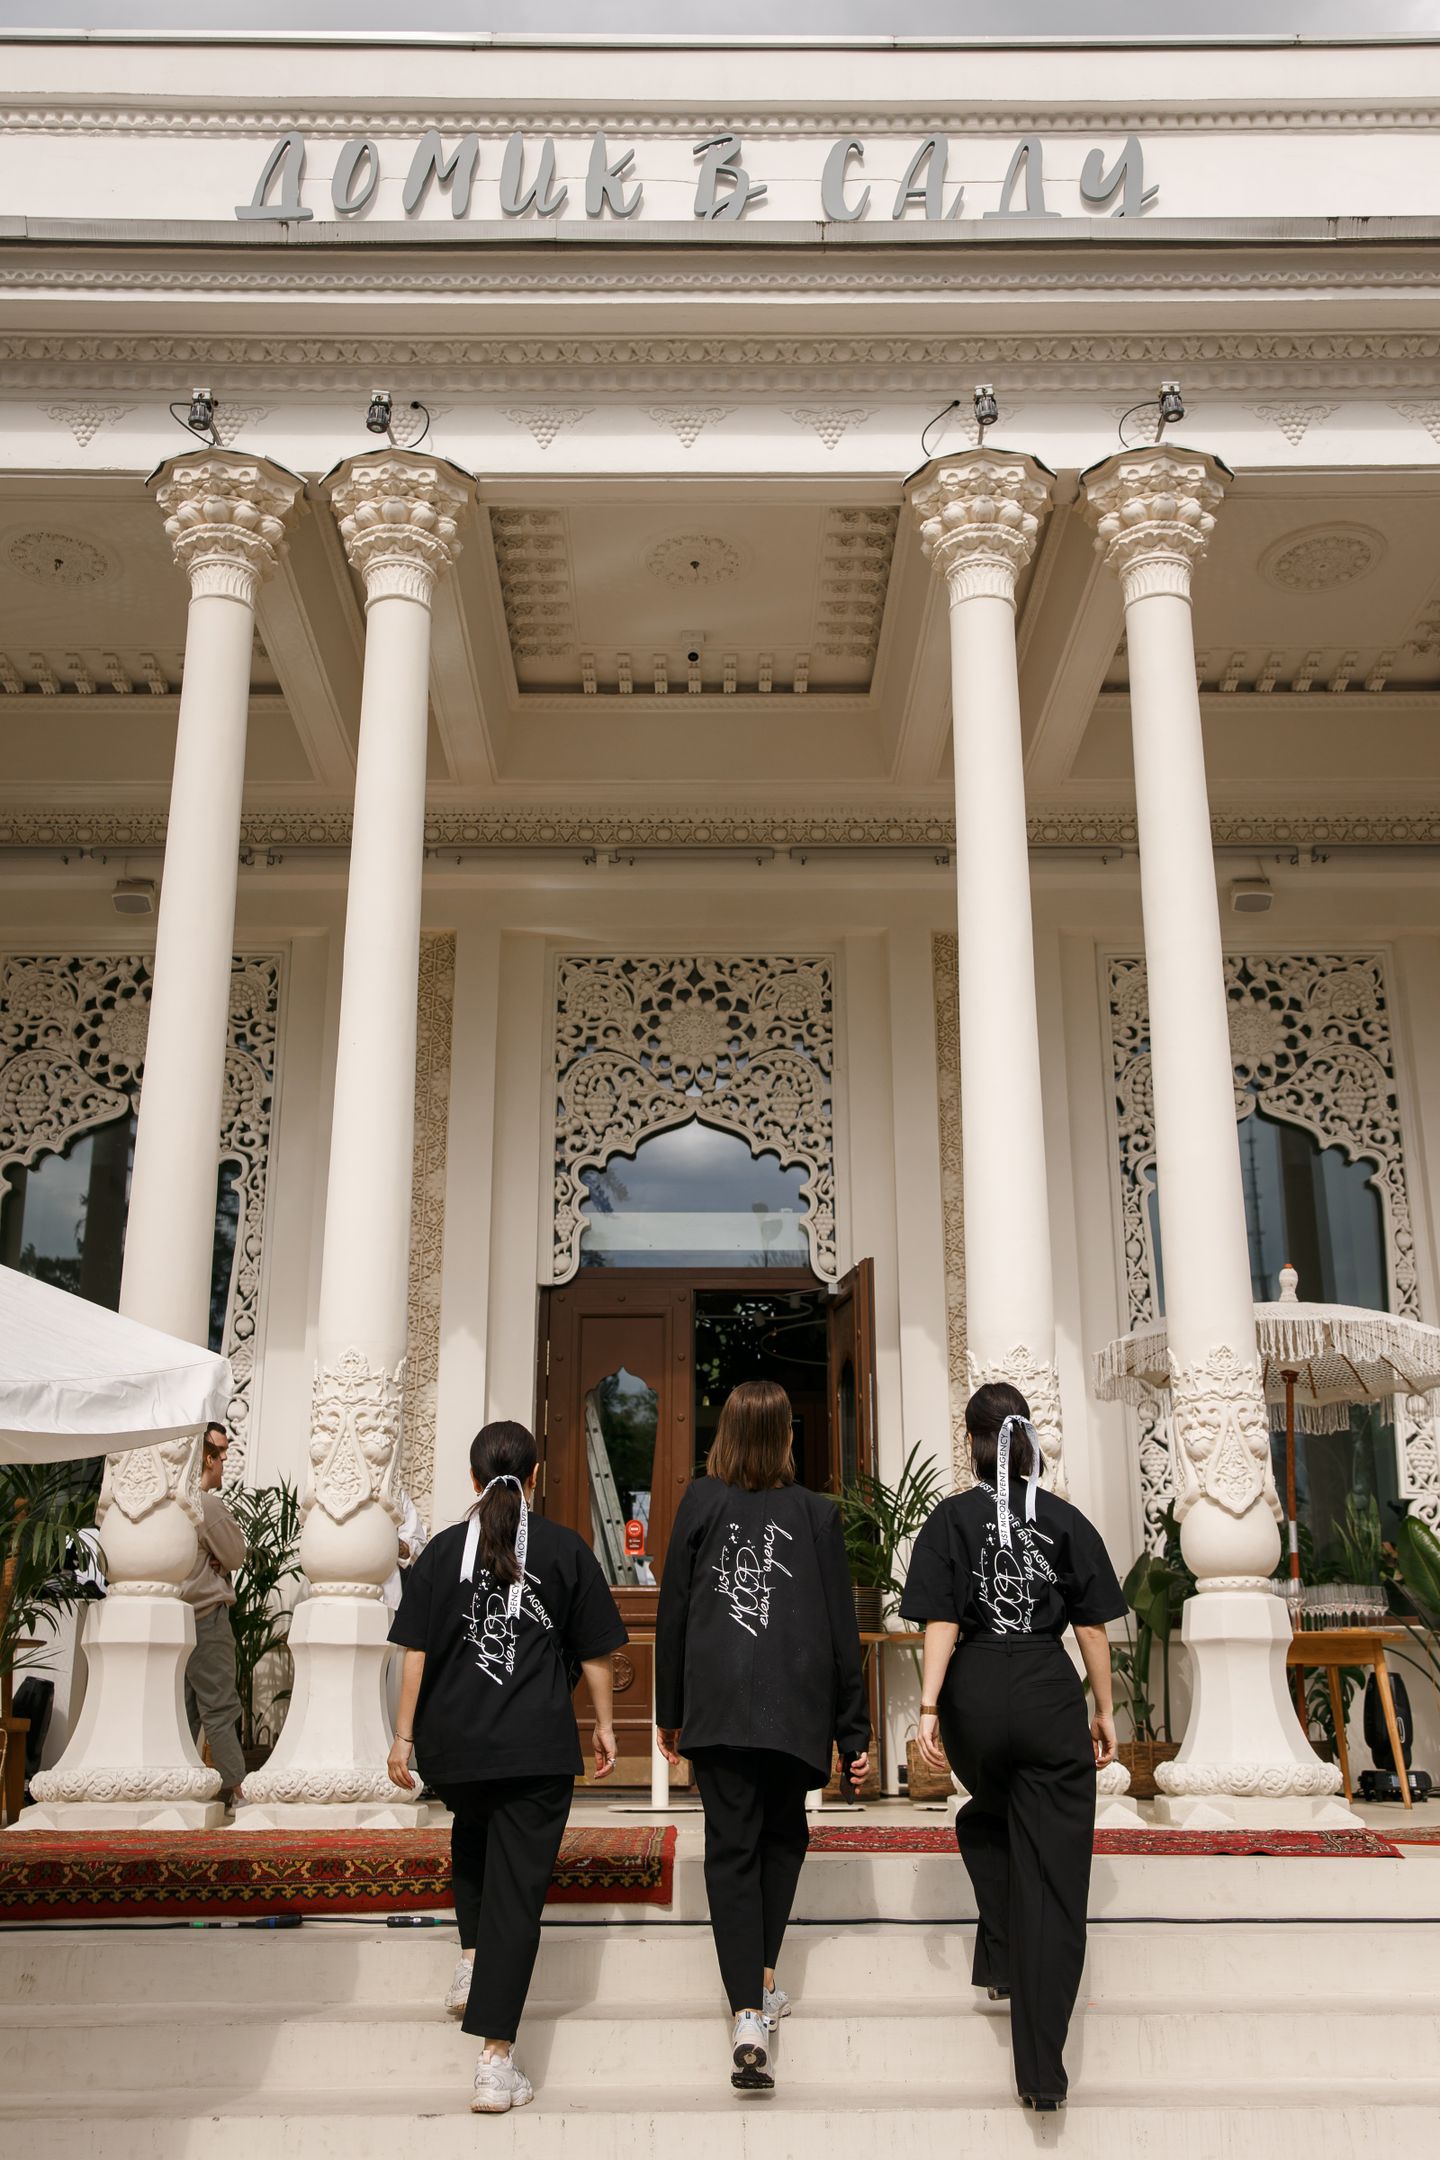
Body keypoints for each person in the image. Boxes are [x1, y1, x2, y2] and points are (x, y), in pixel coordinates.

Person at [386, 1420, 627, 2116]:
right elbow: (595, 1652)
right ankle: (495, 2061)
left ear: (472, 1477)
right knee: (517, 1896)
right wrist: (605, 1727)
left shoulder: (440, 1552)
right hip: (533, 1747)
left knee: (473, 1832)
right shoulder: (565, 1547)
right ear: (536, 1476)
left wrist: (402, 1738)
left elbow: (415, 1652)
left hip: (454, 1746)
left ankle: (471, 1962)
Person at [900, 1380, 1126, 2114]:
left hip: (972, 1696)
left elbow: (939, 1621)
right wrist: (1105, 1709)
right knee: (1053, 1878)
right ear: (1029, 1442)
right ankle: (1041, 2074)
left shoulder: (950, 1519)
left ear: (970, 1445)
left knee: (990, 1810)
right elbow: (1091, 1627)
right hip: (1043, 1689)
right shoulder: (1062, 1518)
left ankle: (1000, 1950)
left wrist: (928, 1709)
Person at [655, 1378, 869, 2095]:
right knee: (782, 1841)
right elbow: (841, 1630)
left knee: (731, 1851)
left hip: (718, 1706)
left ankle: (749, 2007)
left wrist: (668, 1710)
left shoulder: (699, 1502)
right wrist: (853, 1731)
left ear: (724, 1434)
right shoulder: (816, 1513)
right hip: (795, 1707)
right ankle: (760, 1985)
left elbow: (674, 1612)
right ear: (785, 1438)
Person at [181, 1422, 249, 1808]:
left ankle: (179, 1784)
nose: (225, 1460)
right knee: (220, 1705)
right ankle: (236, 1788)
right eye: (220, 1453)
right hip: (205, 1615)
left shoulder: (177, 1500)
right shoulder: (205, 1504)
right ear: (207, 1458)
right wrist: (221, 1559)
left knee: (186, 1709)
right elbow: (236, 1554)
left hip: (178, 1618)